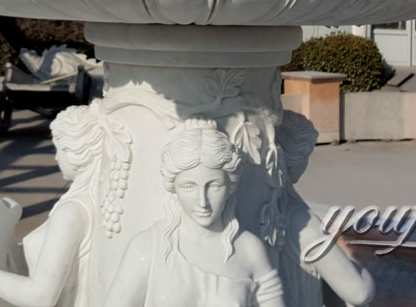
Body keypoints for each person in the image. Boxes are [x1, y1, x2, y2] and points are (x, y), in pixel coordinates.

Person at [105, 121, 285, 307]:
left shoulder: (249, 250)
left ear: (230, 186)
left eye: (214, 186)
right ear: (173, 187)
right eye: (189, 186)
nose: (202, 201)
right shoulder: (147, 248)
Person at [0, 102, 103, 307]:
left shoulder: (71, 212)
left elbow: (41, 297)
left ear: (76, 151)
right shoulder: (89, 200)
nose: (55, 156)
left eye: (59, 148)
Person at [276, 111, 374, 307]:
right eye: (306, 154)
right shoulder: (300, 219)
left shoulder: (262, 205)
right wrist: (354, 264)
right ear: (295, 156)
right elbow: (359, 293)